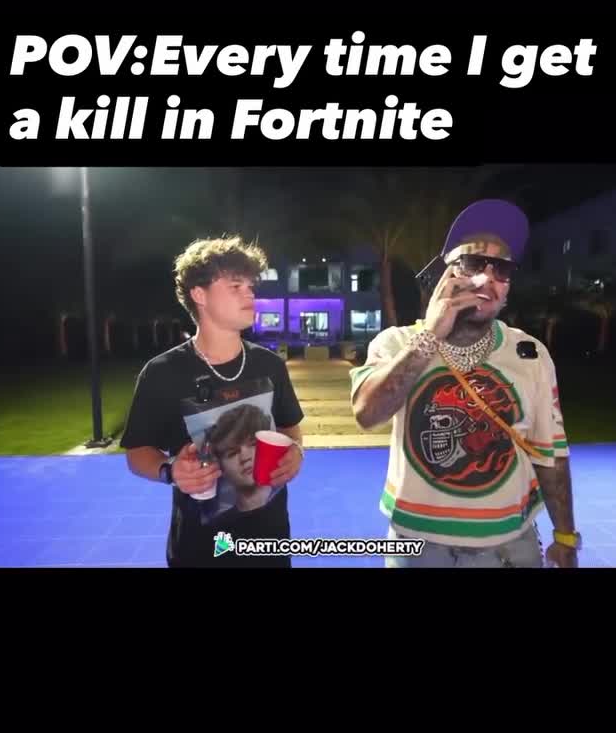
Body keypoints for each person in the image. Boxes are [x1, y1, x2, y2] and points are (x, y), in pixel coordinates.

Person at [350, 200, 581, 569]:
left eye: (502, 268)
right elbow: (367, 414)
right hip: (417, 546)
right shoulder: (395, 344)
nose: (487, 279)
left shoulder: (530, 355)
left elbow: (549, 454)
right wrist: (430, 335)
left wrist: (565, 535)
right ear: (445, 275)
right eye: (473, 263)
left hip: (508, 547)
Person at [121, 235, 305, 569]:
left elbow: (290, 429)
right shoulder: (162, 372)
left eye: (250, 285)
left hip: (270, 544)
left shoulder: (270, 365)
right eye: (236, 286)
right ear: (199, 294)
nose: (250, 293)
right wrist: (170, 471)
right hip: (199, 549)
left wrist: (295, 452)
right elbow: (137, 452)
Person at [206, 403, 273, 513]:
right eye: (232, 453)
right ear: (221, 467)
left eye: (253, 444)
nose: (245, 457)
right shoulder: (220, 519)